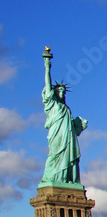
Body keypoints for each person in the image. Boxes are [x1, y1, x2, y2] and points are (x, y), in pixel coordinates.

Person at [39, 47, 87, 188]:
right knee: (55, 154)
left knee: (68, 156)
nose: (62, 93)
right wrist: (47, 66)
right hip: (57, 134)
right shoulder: (52, 104)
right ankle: (53, 178)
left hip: (69, 136)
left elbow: (72, 126)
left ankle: (67, 179)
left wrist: (78, 125)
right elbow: (48, 85)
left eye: (63, 91)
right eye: (59, 90)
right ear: (54, 92)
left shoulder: (66, 108)